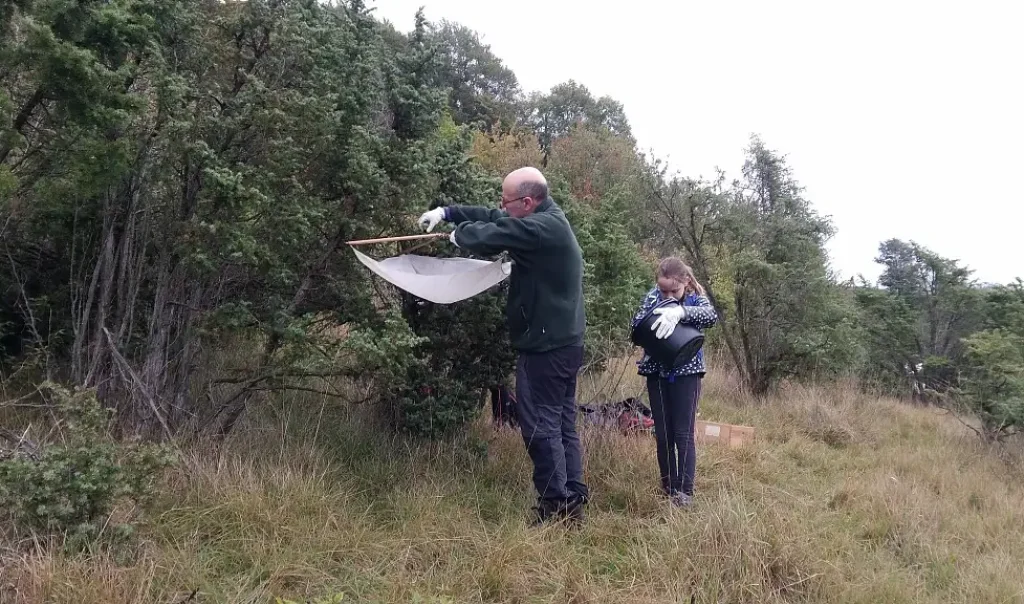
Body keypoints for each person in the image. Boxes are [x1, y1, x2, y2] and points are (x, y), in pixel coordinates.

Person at [418, 167, 589, 526]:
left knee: (541, 425)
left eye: (507, 199)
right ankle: (572, 501)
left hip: (545, 347)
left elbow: (496, 232)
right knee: (561, 422)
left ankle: (555, 507)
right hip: (562, 341)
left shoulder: (541, 228)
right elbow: (497, 218)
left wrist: (458, 236)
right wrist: (448, 212)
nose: (501, 204)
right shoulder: (542, 217)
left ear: (528, 202)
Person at [630, 257, 718, 507]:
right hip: (656, 371)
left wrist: (681, 312)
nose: (668, 294)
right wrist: (653, 317)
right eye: (663, 290)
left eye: (674, 290)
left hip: (687, 372)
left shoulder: (694, 298)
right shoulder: (653, 296)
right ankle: (668, 487)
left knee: (683, 433)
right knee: (664, 433)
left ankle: (685, 492)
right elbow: (636, 325)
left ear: (686, 282)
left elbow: (711, 316)